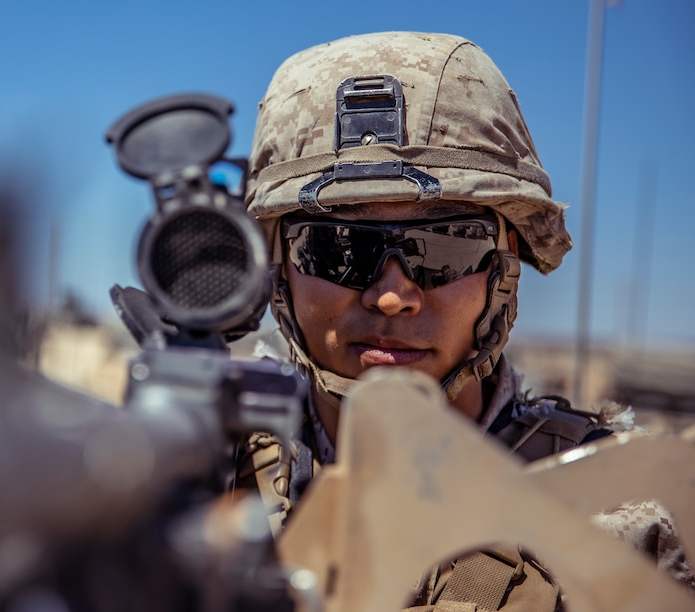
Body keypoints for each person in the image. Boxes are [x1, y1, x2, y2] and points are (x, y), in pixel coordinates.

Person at [236, 31, 693, 608]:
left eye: (447, 246)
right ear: (279, 268)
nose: (393, 295)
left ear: (503, 267)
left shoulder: (638, 516)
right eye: (336, 249)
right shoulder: (188, 490)